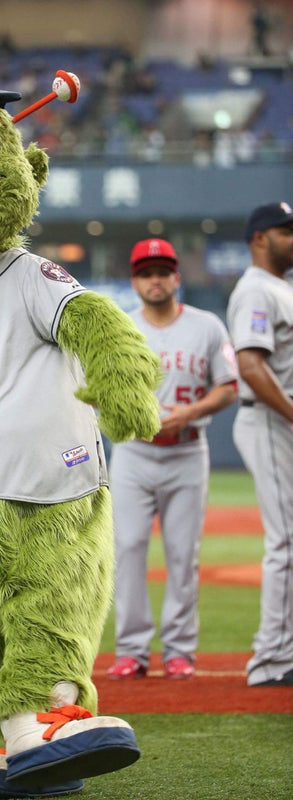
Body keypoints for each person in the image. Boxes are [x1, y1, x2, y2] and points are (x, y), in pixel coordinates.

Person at [108, 238, 238, 680]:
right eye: (146, 272)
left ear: (177, 278)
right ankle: (132, 650)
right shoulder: (120, 329)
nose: (155, 279)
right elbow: (98, 392)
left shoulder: (207, 326)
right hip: (132, 454)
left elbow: (228, 385)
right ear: (135, 281)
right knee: (126, 550)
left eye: (163, 271)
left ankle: (180, 650)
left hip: (186, 452)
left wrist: (191, 412)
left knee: (183, 554)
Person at [227, 202, 293, 687]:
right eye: (285, 231)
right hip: (271, 421)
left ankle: (281, 652)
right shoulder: (254, 289)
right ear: (259, 238)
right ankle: (271, 661)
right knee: (286, 541)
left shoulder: (281, 289)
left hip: (281, 420)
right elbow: (251, 366)